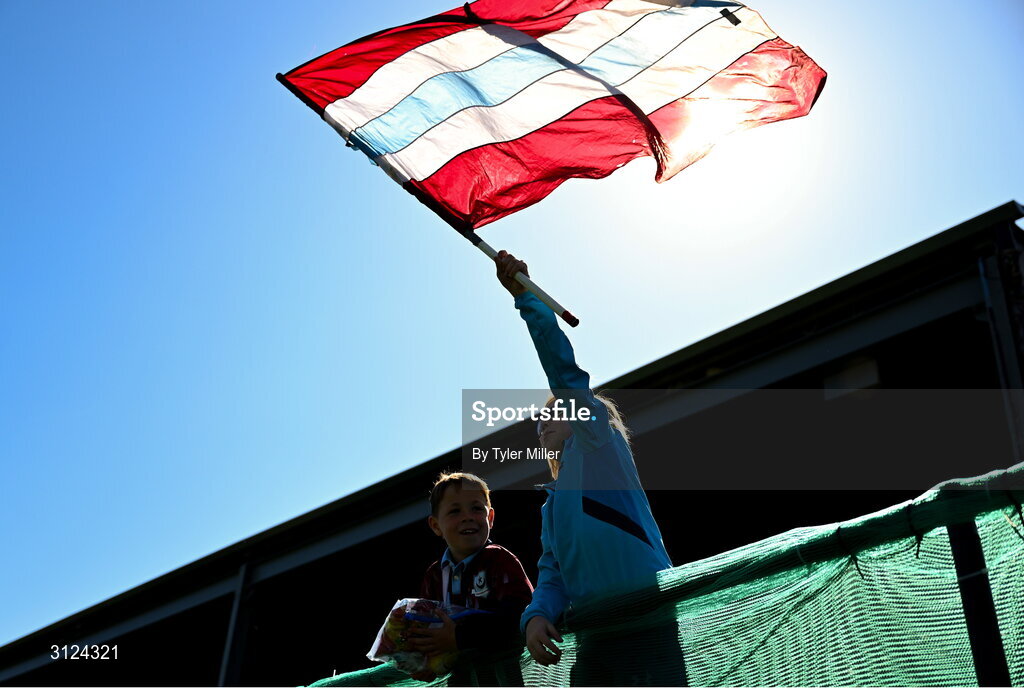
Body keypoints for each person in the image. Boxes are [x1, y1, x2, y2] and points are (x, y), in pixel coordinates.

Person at [495, 251, 684, 686]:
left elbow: (564, 374)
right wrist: (536, 615)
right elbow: (551, 573)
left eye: (554, 411)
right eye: (539, 418)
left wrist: (528, 300)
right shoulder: (552, 504)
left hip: (648, 620)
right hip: (595, 640)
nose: (543, 421)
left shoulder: (599, 443)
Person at [406, 472, 534, 684]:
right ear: (436, 526)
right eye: (455, 511)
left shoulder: (500, 560)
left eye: (476, 508)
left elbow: (521, 616)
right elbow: (426, 629)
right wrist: (421, 659)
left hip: (503, 678)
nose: (467, 516)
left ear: (490, 518)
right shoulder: (434, 576)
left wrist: (459, 637)